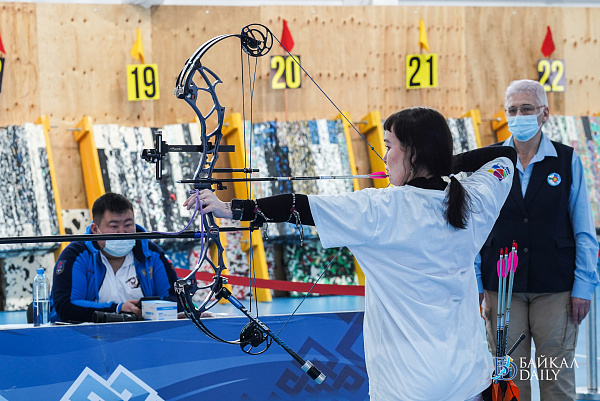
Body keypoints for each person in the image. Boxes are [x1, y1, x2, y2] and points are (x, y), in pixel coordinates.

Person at [185, 107, 518, 401]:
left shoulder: (381, 209)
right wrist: (441, 164)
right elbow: (505, 156)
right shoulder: (474, 200)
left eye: (389, 146)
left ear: (413, 153)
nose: (384, 157)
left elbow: (297, 205)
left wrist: (229, 208)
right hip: (468, 378)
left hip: (409, 386)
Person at [476, 79, 600, 401]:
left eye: (526, 109)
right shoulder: (490, 163)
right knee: (509, 383)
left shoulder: (567, 161)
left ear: (544, 113)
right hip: (502, 288)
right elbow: (476, 227)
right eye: (512, 110)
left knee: (556, 380)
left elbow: (584, 231)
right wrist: (476, 283)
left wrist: (584, 286)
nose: (519, 116)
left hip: (556, 290)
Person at [51, 192, 180, 323]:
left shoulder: (153, 254)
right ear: (95, 229)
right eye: (114, 226)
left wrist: (147, 309)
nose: (122, 232)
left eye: (128, 225)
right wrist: (118, 309)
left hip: (147, 333)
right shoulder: (75, 255)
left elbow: (177, 300)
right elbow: (66, 306)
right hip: (89, 334)